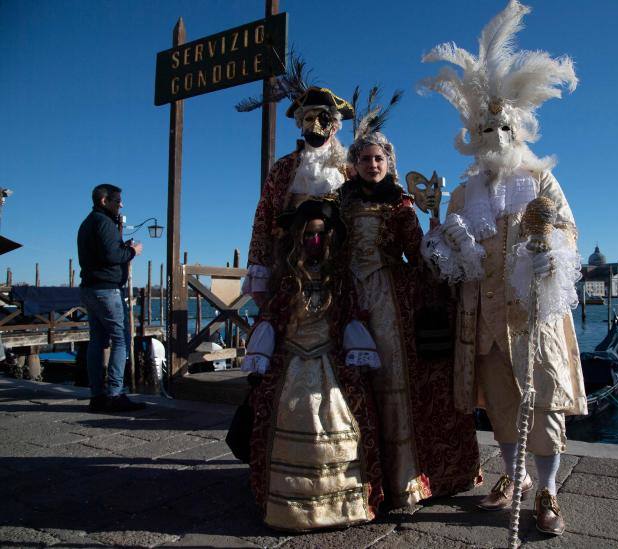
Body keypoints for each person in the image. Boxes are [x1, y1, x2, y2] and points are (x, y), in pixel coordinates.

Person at [419, 0, 586, 535]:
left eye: (504, 129)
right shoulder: (463, 192)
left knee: (545, 406)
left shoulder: (539, 181)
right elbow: (449, 257)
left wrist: (547, 256)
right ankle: (512, 478)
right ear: (474, 133)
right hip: (483, 320)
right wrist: (442, 246)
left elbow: (567, 233)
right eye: (486, 130)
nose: (496, 138)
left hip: (531, 315)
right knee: (503, 409)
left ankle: (548, 491)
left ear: (520, 129)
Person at [338, 110, 481, 508]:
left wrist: (435, 243)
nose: (372, 165)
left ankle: (401, 479)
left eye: (379, 159)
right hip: (347, 295)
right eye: (365, 159)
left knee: (391, 379)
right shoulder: (341, 203)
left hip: (388, 299)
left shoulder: (400, 204)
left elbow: (416, 256)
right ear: (355, 164)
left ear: (389, 164)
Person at [243, 199, 384, 531]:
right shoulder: (288, 278)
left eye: (320, 235)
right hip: (291, 361)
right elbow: (273, 318)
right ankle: (287, 507)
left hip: (331, 362)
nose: (314, 242)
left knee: (345, 420)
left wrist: (357, 354)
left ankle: (342, 503)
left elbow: (349, 315)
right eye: (308, 235)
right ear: (298, 237)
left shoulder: (339, 279)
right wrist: (259, 361)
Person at [244, 84, 353, 312]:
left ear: (334, 126)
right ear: (300, 123)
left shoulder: (348, 170)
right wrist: (259, 270)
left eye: (323, 119)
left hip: (338, 266)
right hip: (288, 264)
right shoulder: (283, 168)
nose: (315, 125)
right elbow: (263, 218)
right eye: (308, 118)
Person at [77, 183, 145, 413]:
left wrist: (120, 247)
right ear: (104, 201)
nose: (121, 204)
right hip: (107, 290)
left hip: (90, 288)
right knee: (120, 339)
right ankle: (115, 394)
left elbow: (103, 252)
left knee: (97, 341)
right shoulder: (104, 222)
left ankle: (97, 395)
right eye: (117, 200)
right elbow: (112, 255)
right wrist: (132, 251)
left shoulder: (88, 223)